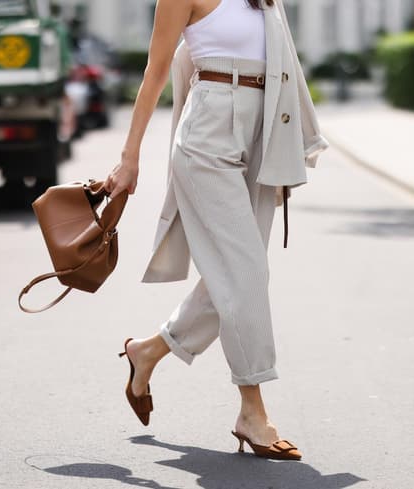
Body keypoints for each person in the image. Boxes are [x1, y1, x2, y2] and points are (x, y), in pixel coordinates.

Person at [104, 0, 327, 461]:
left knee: (234, 273)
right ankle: (252, 411)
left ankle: (147, 351)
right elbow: (156, 70)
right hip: (208, 132)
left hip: (266, 130)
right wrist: (130, 156)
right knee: (244, 273)